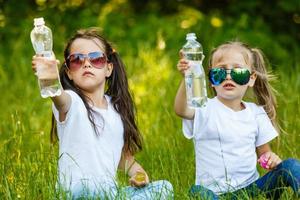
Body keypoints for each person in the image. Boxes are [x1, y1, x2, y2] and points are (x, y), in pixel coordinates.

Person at [31, 28, 173, 199]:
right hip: (77, 192)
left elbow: (126, 161)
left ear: (108, 69)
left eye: (96, 58)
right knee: (91, 189)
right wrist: (50, 79)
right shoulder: (73, 102)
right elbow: (58, 97)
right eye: (77, 60)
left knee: (164, 188)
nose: (86, 63)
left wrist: (139, 176)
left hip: (108, 193)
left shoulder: (116, 109)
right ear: (69, 72)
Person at [174, 41, 300, 199]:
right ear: (212, 80)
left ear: (251, 79)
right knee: (197, 192)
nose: (228, 76)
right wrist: (187, 78)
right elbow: (181, 110)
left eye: (238, 73)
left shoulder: (256, 113)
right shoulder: (204, 108)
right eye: (220, 73)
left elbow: (264, 155)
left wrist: (270, 159)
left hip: (250, 191)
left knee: (291, 166)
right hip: (214, 194)